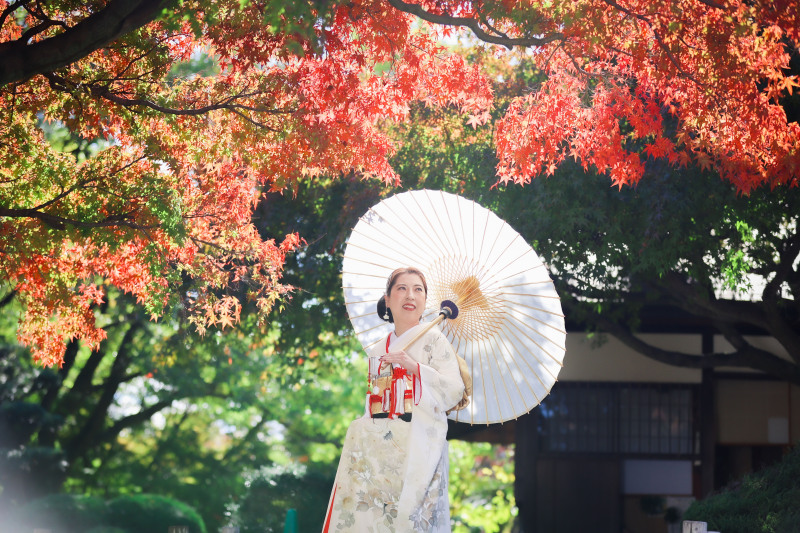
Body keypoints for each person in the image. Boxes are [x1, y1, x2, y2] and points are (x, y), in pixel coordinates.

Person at [323, 267, 466, 532]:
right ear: (387, 299)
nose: (410, 295)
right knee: (377, 518)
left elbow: (453, 389)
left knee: (412, 520)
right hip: (383, 449)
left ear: (424, 301)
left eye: (418, 289)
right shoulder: (380, 348)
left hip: (422, 442)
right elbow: (375, 399)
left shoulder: (434, 339)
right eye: (402, 288)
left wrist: (415, 367)